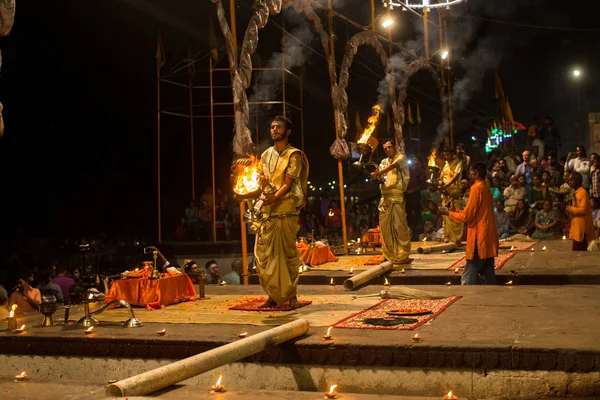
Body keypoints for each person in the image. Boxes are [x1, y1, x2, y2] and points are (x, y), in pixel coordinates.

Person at [238, 115, 308, 307]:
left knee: (286, 255)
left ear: (287, 132)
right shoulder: (267, 154)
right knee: (264, 256)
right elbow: (262, 177)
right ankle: (273, 295)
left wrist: (274, 197)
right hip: (267, 211)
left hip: (285, 210)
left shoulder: (294, 155)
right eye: (272, 127)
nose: (274, 130)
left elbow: (288, 183)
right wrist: (259, 182)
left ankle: (291, 296)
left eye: (278, 127)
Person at [439, 162, 498, 285]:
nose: (469, 175)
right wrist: (454, 211)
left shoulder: (476, 188)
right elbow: (474, 213)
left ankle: (466, 296)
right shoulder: (486, 189)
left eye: (470, 172)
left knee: (470, 271)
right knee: (488, 269)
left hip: (479, 236)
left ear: (475, 173)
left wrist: (447, 213)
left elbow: (467, 216)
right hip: (488, 234)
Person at [370, 140, 411, 264]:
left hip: (397, 197)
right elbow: (381, 177)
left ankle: (402, 254)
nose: (387, 150)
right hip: (385, 198)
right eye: (385, 148)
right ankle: (387, 254)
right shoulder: (383, 162)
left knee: (399, 227)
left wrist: (378, 173)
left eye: (389, 147)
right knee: (385, 229)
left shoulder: (401, 158)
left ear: (395, 147)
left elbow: (393, 166)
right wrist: (377, 176)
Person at [439, 148, 464, 246]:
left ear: (453, 154)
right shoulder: (445, 165)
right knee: (445, 217)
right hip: (445, 193)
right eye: (444, 154)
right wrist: (441, 185)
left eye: (447, 154)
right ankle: (448, 238)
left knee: (455, 216)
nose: (446, 156)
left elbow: (455, 177)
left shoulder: (458, 163)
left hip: (454, 192)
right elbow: (441, 177)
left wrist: (445, 186)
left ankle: (456, 240)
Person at [565, 172, 595, 251]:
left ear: (577, 181)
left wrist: (568, 208)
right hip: (576, 226)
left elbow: (583, 210)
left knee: (579, 254)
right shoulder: (574, 192)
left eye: (571, 180)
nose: (569, 182)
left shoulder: (583, 193)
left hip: (582, 229)